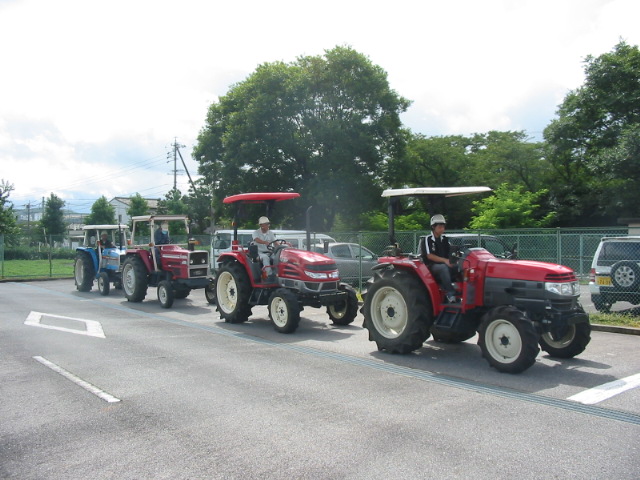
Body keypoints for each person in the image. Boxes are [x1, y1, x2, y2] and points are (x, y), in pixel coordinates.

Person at [422, 214, 459, 303]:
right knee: (443, 268)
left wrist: (455, 258)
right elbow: (429, 255)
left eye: (443, 226)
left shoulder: (444, 239)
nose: (442, 229)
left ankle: (460, 289)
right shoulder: (428, 239)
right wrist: (445, 261)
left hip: (444, 263)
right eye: (440, 227)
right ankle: (450, 293)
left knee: (460, 266)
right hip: (431, 266)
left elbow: (450, 251)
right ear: (433, 227)